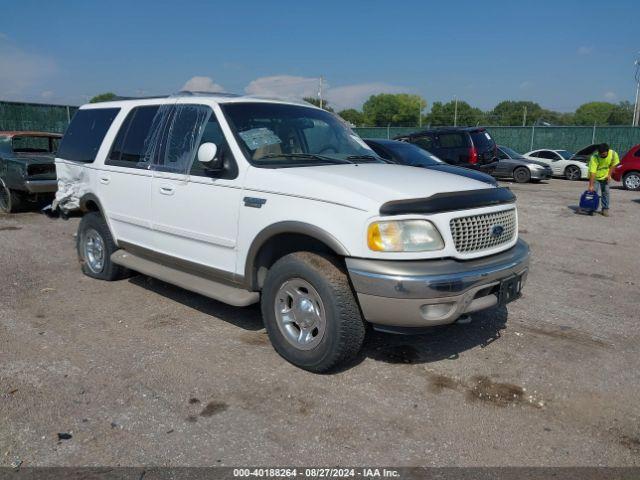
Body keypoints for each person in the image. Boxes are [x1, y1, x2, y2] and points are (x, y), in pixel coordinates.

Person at [588, 143, 619, 217]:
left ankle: (605, 209)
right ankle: (592, 208)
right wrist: (591, 185)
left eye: (603, 154)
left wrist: (609, 175)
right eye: (600, 154)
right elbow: (592, 172)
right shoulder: (594, 157)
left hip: (605, 176)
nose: (601, 155)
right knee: (593, 193)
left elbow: (613, 164)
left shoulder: (613, 154)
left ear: (608, 151)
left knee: (606, 192)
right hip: (595, 177)